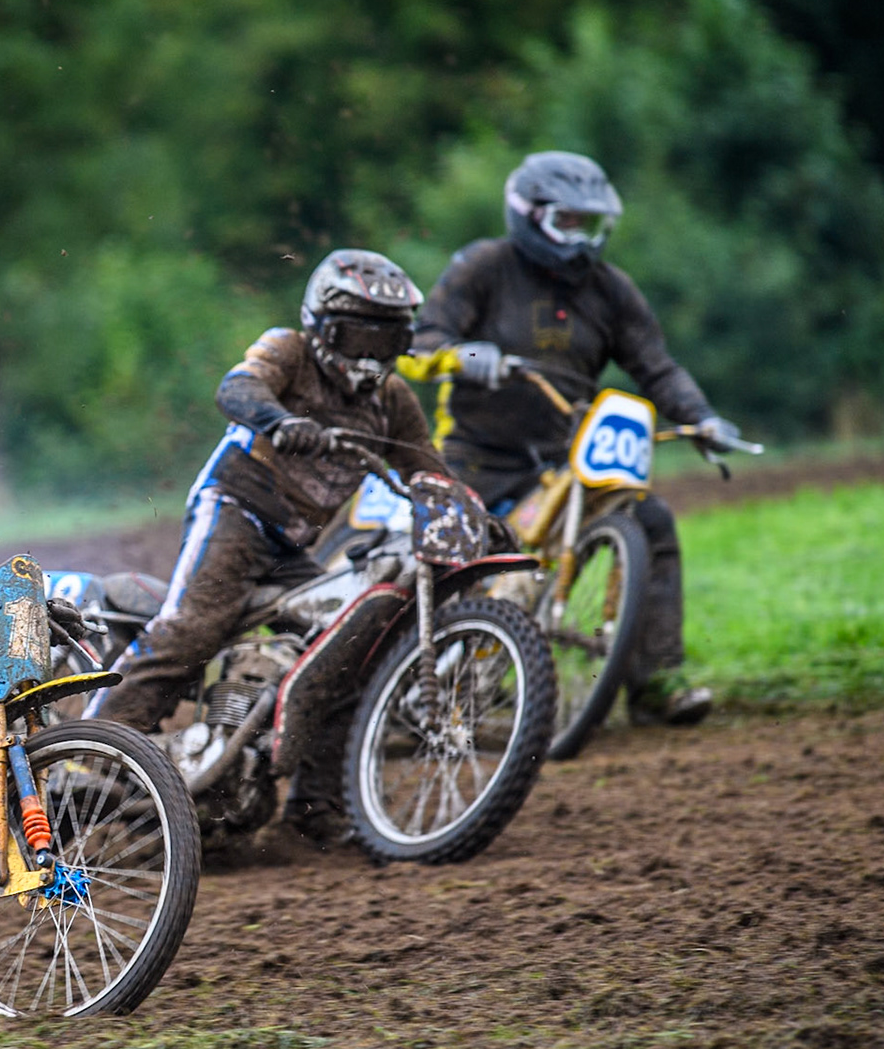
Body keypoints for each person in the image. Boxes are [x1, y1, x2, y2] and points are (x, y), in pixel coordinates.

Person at [90, 249, 457, 847]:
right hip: (235, 510)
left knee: (346, 650)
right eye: (361, 333)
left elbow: (427, 470)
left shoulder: (393, 402)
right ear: (324, 326)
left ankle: (314, 810)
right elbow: (237, 388)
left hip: (294, 545)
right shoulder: (289, 349)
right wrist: (276, 419)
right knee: (191, 631)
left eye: (387, 338)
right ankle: (90, 762)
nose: (371, 352)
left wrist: (470, 512)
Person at [409, 150, 733, 726]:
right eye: (569, 223)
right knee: (445, 551)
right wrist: (467, 357)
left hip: (561, 464)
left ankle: (656, 681)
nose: (582, 241)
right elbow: (418, 346)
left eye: (592, 226)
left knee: (649, 521)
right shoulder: (483, 266)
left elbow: (656, 367)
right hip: (473, 458)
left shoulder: (610, 290)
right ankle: (413, 683)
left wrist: (703, 419)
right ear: (530, 216)